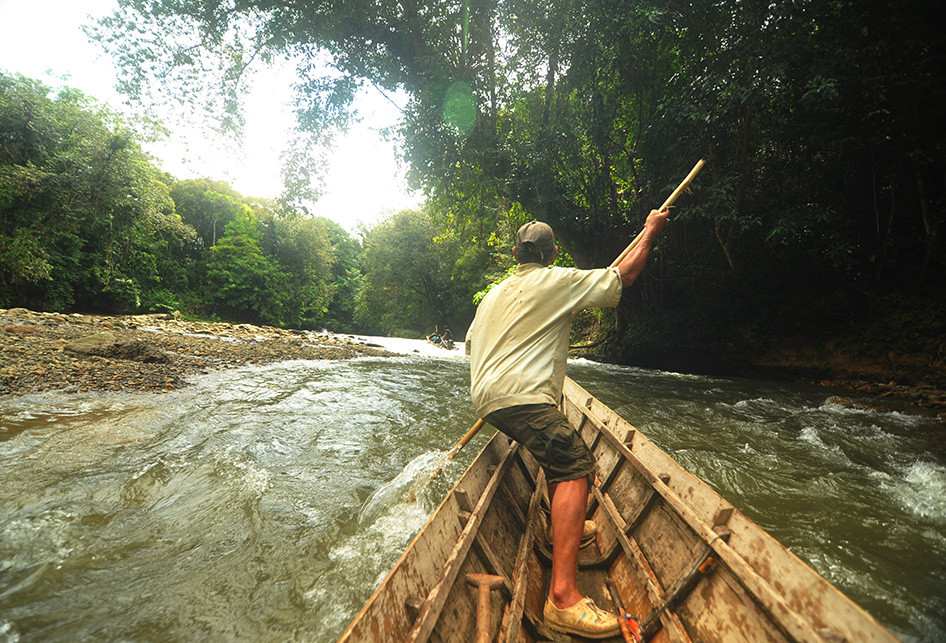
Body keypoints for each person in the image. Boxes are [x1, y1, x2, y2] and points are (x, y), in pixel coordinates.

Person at [466, 209, 667, 639]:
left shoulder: (494, 295)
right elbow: (622, 277)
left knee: (558, 449)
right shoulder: (556, 281)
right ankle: (562, 599)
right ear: (552, 254)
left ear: (516, 254)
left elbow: (470, 344)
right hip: (522, 398)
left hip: (486, 396)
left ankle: (566, 525)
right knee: (576, 465)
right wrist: (650, 232)